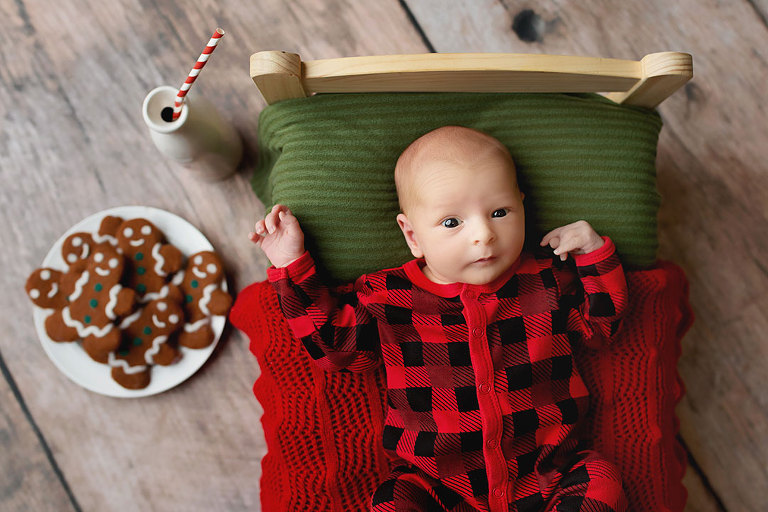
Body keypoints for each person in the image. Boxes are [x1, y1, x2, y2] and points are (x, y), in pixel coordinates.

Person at [249, 126, 629, 512]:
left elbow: (601, 325)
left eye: (500, 212)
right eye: (452, 223)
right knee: (391, 503)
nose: (484, 235)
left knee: (601, 483)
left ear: (522, 207)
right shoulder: (388, 296)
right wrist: (291, 265)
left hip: (549, 475)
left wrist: (594, 254)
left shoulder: (545, 278)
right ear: (413, 235)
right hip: (439, 488)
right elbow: (339, 351)